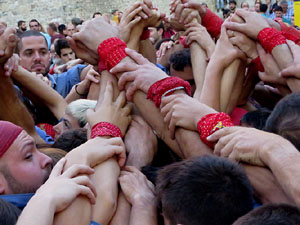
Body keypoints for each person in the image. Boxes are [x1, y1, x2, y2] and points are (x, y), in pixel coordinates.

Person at [17, 30, 88, 97]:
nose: (37, 58)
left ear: (49, 55)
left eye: (43, 52)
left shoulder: (64, 81)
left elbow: (92, 70)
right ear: (18, 58)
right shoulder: (14, 92)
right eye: (29, 53)